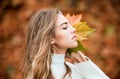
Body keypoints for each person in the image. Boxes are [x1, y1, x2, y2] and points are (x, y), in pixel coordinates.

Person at [22, 8, 110, 79]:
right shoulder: (38, 74)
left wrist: (80, 59)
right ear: (50, 39)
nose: (74, 29)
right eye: (64, 27)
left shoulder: (74, 69)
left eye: (70, 25)